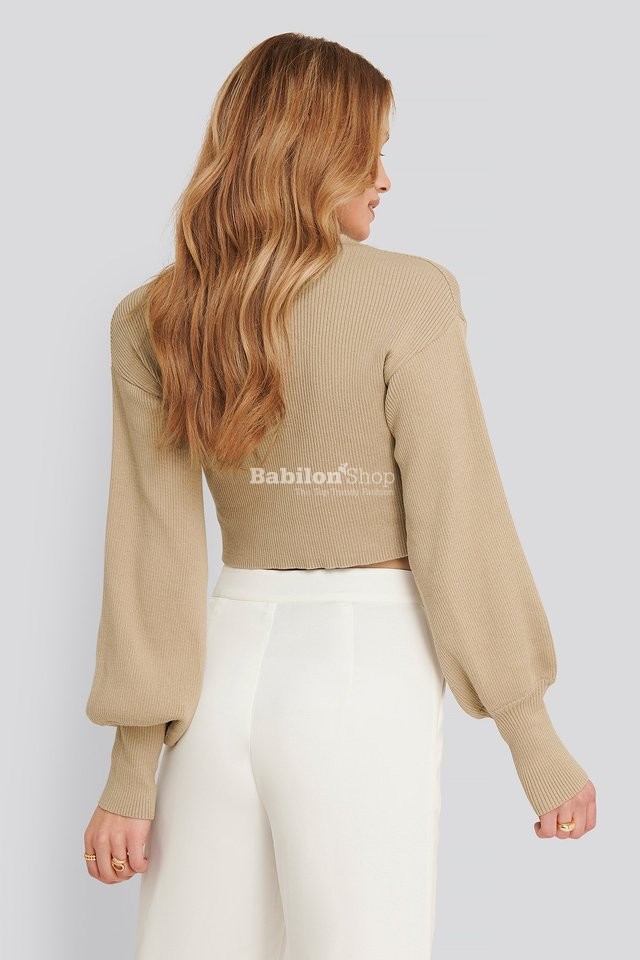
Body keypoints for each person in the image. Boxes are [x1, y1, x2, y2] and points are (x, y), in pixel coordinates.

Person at [82, 31, 596, 960]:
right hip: (365, 673)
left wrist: (131, 770)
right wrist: (534, 738)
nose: (385, 179)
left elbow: (151, 552)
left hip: (215, 683)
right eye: (371, 151)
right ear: (315, 152)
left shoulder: (155, 317)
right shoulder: (412, 296)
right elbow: (457, 520)